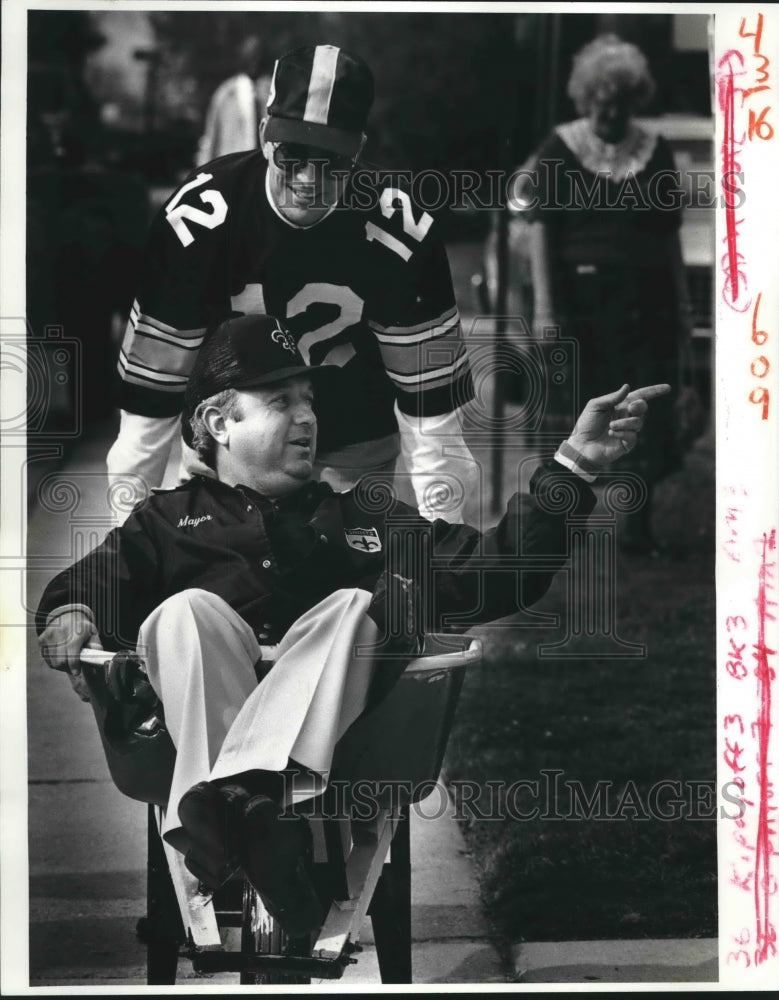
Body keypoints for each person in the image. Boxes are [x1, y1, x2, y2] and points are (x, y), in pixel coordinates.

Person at [39, 314, 669, 936]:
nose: (308, 418)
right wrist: (71, 612)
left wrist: (574, 466)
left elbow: (498, 570)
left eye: (308, 401)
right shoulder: (166, 522)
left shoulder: (365, 518)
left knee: (357, 606)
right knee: (185, 612)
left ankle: (235, 802)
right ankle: (258, 812)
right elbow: (90, 584)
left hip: (346, 741)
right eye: (280, 401)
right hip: (236, 706)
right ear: (217, 423)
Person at [108, 43, 478, 525]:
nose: (308, 178)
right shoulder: (198, 222)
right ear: (264, 136)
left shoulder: (400, 233)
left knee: (345, 591)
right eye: (292, 155)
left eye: (331, 161)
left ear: (359, 149)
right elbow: (149, 410)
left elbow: (434, 425)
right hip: (230, 451)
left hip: (352, 448)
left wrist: (447, 562)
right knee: (217, 585)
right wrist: (124, 553)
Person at [524, 34, 693, 553]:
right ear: (585, 98)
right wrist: (546, 308)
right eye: (601, 102)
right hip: (581, 308)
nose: (610, 112)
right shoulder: (561, 148)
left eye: (620, 103)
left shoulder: (654, 151)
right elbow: (539, 230)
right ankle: (559, 528)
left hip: (647, 309)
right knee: (579, 413)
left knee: (642, 411)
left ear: (632, 101)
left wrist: (682, 308)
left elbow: (668, 238)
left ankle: (637, 529)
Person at [195, 35, 271, 166]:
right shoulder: (225, 94)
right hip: (231, 167)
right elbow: (211, 137)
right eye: (251, 58)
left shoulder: (269, 91)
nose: (254, 64)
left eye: (257, 58)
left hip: (260, 167)